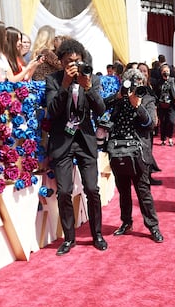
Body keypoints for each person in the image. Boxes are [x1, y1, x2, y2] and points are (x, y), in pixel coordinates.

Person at [44, 38, 106, 255]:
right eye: (68, 61)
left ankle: (97, 235)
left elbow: (101, 109)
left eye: (77, 61)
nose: (73, 65)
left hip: (85, 140)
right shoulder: (53, 80)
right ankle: (69, 238)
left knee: (92, 189)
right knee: (64, 192)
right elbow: (52, 111)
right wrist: (64, 85)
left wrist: (88, 88)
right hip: (62, 141)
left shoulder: (90, 78)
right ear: (61, 62)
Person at [106, 67, 163, 243]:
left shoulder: (147, 99)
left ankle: (153, 226)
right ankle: (126, 222)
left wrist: (137, 105)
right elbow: (102, 107)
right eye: (132, 85)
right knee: (123, 190)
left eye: (139, 84)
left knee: (143, 191)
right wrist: (118, 96)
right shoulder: (119, 99)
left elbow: (150, 124)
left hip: (139, 153)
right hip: (118, 150)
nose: (135, 89)